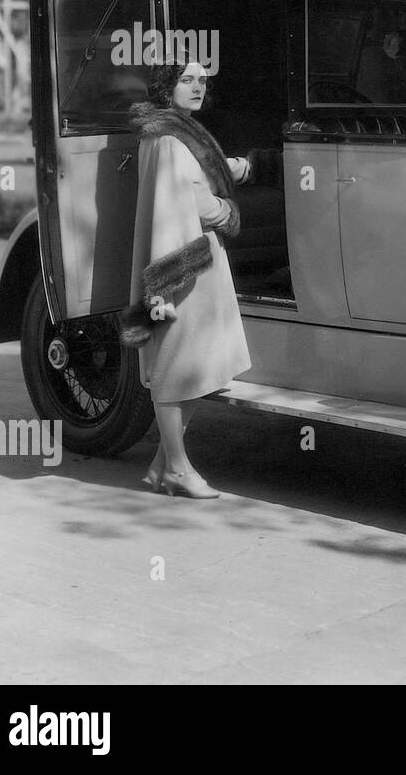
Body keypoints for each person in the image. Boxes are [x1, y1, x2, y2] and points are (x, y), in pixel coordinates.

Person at [120, 60, 252, 499]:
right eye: (186, 80)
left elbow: (192, 182)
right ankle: (177, 467)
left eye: (202, 80)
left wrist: (230, 169)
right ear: (166, 87)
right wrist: (227, 211)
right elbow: (194, 200)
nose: (198, 86)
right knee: (177, 366)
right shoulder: (170, 138)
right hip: (185, 262)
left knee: (200, 363)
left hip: (196, 258)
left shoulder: (173, 132)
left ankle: (162, 465)